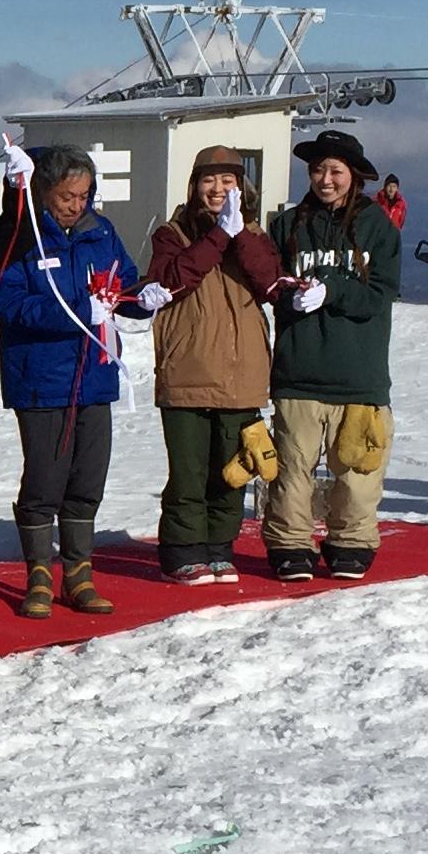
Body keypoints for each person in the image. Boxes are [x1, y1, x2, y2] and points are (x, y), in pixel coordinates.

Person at [0, 143, 135, 617]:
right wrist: (73, 312)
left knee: (88, 477)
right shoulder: (21, 238)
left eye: (84, 195)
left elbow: (124, 280)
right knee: (45, 480)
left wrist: (141, 297)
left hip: (94, 374)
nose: (76, 204)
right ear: (44, 192)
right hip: (41, 377)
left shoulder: (101, 231)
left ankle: (79, 572)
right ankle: (38, 572)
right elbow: (9, 302)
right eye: (67, 196)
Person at [259, 129, 402, 582]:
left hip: (359, 376)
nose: (325, 180)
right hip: (298, 373)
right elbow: (267, 283)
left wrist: (333, 289)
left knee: (358, 471)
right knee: (290, 471)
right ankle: (290, 543)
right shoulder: (287, 226)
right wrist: (289, 296)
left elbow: (380, 294)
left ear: (354, 176)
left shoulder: (378, 227)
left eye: (335, 171)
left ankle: (351, 541)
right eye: (318, 170)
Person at [140, 145, 286, 585]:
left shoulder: (255, 235)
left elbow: (269, 283)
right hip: (187, 371)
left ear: (242, 187)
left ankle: (220, 548)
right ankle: (182, 552)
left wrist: (239, 235)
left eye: (228, 181)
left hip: (242, 375)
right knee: (188, 473)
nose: (218, 189)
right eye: (209, 180)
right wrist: (218, 236)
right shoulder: (172, 234)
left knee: (233, 470)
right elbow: (172, 281)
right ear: (194, 186)